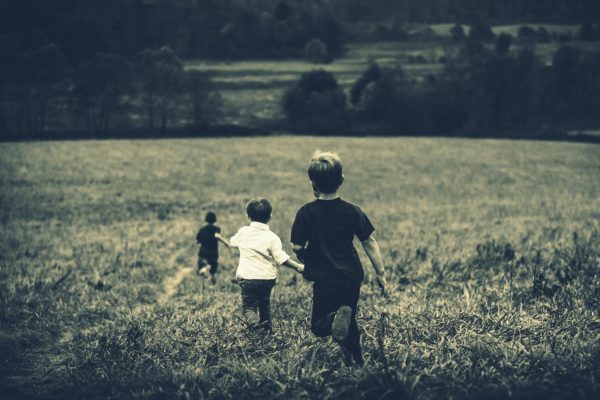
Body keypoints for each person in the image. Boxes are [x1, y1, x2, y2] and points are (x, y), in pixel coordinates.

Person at [291, 150, 387, 365]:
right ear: (341, 180)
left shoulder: (306, 212)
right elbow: (369, 242)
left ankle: (335, 319)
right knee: (348, 320)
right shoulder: (353, 211)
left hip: (324, 278)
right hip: (351, 277)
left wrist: (305, 256)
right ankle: (356, 361)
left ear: (312, 183)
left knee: (319, 325)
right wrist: (380, 273)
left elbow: (297, 246)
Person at [230, 198, 304, 332]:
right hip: (267, 279)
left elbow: (232, 242)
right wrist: (298, 266)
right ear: (270, 216)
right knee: (265, 304)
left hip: (248, 278)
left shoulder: (243, 232)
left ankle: (254, 325)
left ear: (248, 216)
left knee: (249, 308)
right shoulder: (272, 237)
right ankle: (267, 330)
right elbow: (281, 257)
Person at [196, 211, 229, 284]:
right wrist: (226, 243)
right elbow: (217, 236)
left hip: (203, 252)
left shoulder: (202, 230)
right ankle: (213, 284)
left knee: (202, 265)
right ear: (214, 219)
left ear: (206, 219)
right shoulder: (216, 228)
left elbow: (198, 240)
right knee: (213, 271)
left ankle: (205, 268)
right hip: (213, 253)